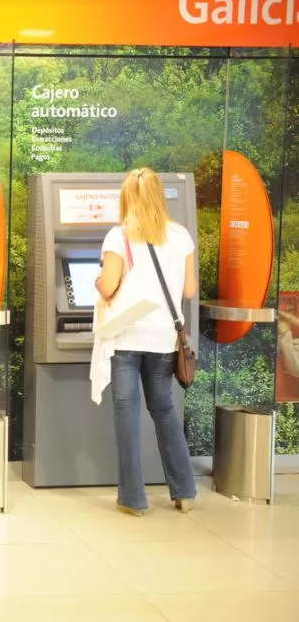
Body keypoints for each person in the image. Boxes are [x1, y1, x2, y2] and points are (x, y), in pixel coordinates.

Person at [95, 167, 198, 517]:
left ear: (127, 197)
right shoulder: (181, 235)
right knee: (164, 409)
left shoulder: (118, 236)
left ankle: (133, 499)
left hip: (126, 333)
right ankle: (184, 491)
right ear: (158, 195)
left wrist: (99, 283)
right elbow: (188, 291)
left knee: (127, 413)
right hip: (164, 336)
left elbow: (108, 287)